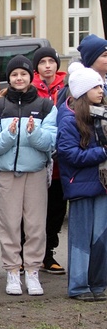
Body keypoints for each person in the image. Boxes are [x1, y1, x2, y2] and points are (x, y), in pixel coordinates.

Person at [0, 55, 57, 296]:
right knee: (9, 225)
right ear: (9, 78)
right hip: (7, 174)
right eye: (14, 74)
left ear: (30, 76)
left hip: (35, 173)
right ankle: (13, 271)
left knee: (35, 225)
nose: (19, 78)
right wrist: (10, 135)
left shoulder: (46, 106)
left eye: (23, 74)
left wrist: (34, 134)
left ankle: (33, 271)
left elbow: (52, 142)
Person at [55, 66, 107, 301]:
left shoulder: (102, 114)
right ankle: (78, 286)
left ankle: (98, 284)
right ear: (83, 91)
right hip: (81, 186)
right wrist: (103, 152)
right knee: (81, 239)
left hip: (102, 185)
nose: (101, 90)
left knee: (101, 238)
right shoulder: (69, 119)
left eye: (100, 85)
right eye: (95, 86)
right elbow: (70, 155)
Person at [30, 47, 68, 274]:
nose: (47, 65)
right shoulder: (31, 89)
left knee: (55, 211)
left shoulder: (67, 88)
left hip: (61, 164)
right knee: (34, 211)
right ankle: (30, 253)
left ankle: (48, 254)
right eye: (42, 61)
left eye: (50, 61)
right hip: (37, 161)